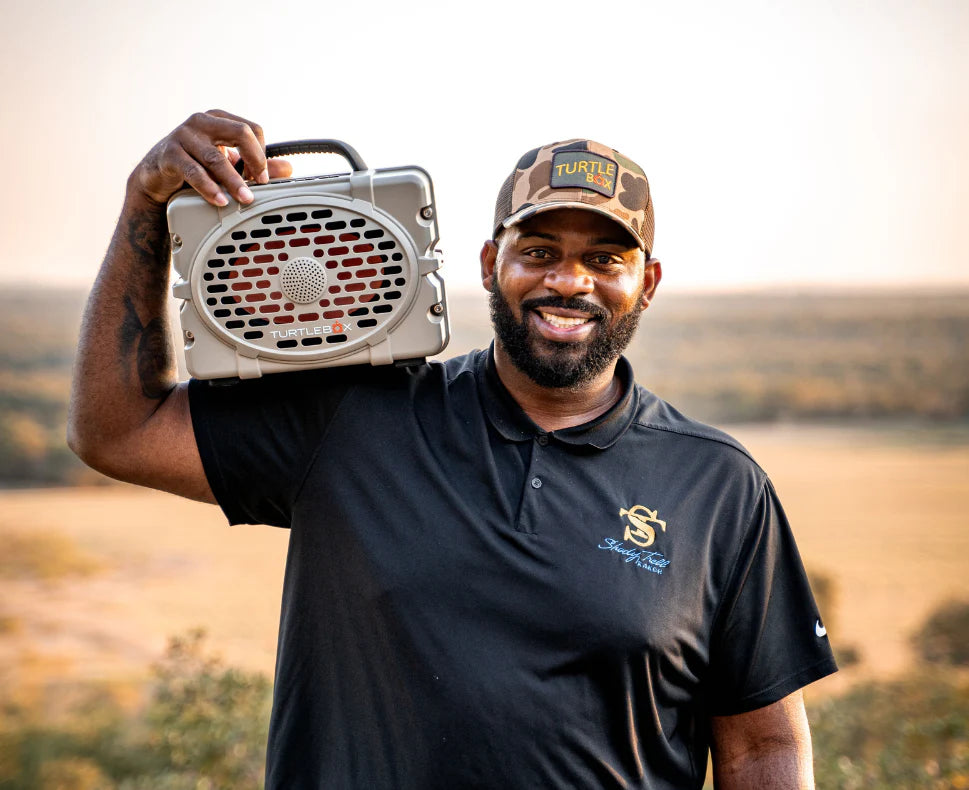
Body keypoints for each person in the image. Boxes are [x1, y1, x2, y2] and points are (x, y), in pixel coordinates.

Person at [68, 110, 837, 789]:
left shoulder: (717, 486)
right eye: (537, 249)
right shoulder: (354, 416)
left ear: (647, 282)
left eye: (605, 259)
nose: (567, 281)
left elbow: (762, 743)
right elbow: (117, 430)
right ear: (486, 264)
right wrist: (144, 204)